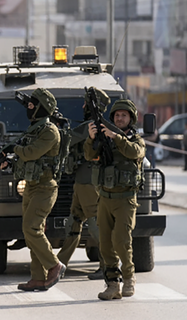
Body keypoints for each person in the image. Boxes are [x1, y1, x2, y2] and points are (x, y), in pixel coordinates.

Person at [84, 99, 145, 300]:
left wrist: (116, 137)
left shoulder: (136, 139)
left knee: (121, 241)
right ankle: (112, 284)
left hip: (125, 200)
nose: (120, 118)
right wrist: (92, 139)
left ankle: (128, 278)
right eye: (117, 115)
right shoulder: (105, 139)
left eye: (124, 115)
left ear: (131, 119)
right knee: (105, 245)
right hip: (105, 198)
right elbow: (88, 155)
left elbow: (134, 152)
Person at [11, 88, 65, 291]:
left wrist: (13, 149)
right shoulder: (34, 129)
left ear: (42, 108)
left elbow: (30, 153)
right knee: (33, 231)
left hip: (44, 187)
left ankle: (54, 265)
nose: (29, 108)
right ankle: (37, 278)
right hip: (31, 186)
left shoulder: (49, 131)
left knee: (31, 228)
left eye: (33, 105)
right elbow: (24, 158)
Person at [56, 87, 107, 281]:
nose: (83, 106)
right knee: (74, 222)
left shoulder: (92, 125)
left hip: (89, 181)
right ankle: (59, 264)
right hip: (81, 180)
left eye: (87, 103)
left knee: (95, 223)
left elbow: (68, 139)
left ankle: (107, 264)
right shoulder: (92, 124)